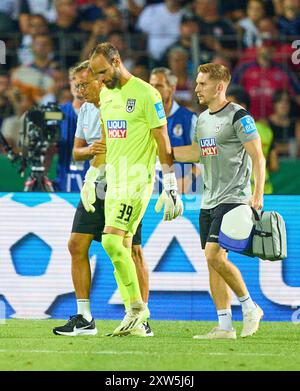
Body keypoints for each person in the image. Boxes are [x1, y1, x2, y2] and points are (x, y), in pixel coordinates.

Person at [81, 42, 183, 336]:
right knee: (120, 248)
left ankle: (138, 309)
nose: (99, 79)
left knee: (112, 242)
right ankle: (135, 318)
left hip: (137, 181)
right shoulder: (107, 95)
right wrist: (92, 177)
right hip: (113, 182)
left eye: (103, 72)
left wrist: (171, 184)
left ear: (116, 61)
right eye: (96, 75)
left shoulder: (145, 93)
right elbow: (105, 139)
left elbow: (163, 140)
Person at [53, 61, 153, 337]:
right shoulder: (85, 110)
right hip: (95, 185)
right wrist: (89, 152)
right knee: (76, 244)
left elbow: (119, 144)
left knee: (131, 249)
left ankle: (140, 317)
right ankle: (85, 317)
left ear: (100, 81)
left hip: (126, 182)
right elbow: (76, 152)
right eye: (76, 85)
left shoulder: (119, 103)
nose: (80, 90)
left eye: (84, 84)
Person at [173, 63, 265, 339]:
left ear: (219, 86)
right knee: (212, 260)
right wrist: (161, 151)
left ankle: (250, 308)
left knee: (214, 255)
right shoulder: (202, 120)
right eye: (197, 83)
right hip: (208, 200)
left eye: (202, 84)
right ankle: (225, 325)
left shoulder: (239, 116)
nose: (197, 88)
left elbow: (258, 156)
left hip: (234, 198)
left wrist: (257, 193)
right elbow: (197, 154)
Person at [149, 67, 199, 194]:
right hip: (149, 191)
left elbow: (205, 155)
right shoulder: (143, 119)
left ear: (172, 88)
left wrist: (188, 180)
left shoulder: (189, 118)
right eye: (151, 85)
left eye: (159, 86)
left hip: (180, 190)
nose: (153, 90)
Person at [227, 85, 279, 194]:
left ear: (241, 106)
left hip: (239, 193)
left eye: (229, 105)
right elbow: (274, 165)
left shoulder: (226, 132)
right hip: (265, 190)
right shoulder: (265, 130)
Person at [54, 66, 87, 192]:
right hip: (65, 184)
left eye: (82, 79)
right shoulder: (57, 113)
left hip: (95, 186)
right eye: (73, 78)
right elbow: (49, 152)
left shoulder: (103, 113)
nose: (77, 83)